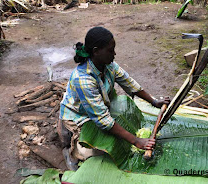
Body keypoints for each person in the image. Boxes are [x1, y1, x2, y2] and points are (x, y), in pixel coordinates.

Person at [57, 26, 170, 170]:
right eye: (110, 50)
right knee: (103, 153)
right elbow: (103, 120)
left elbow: (130, 84)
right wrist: (136, 141)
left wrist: (154, 101)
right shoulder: (83, 79)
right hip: (78, 117)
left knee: (120, 132)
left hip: (97, 111)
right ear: (96, 51)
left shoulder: (109, 65)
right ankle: (72, 150)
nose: (114, 53)